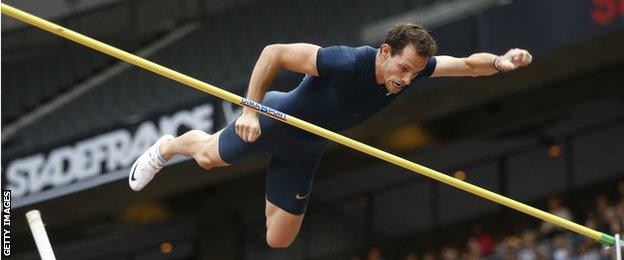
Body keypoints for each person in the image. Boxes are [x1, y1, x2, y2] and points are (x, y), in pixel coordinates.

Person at [128, 22, 533, 248]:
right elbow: (274, 52)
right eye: (403, 69)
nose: (407, 80)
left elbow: (465, 65)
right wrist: (250, 110)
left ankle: (270, 181)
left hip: (306, 146)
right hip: (276, 119)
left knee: (279, 239)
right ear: (386, 52)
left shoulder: (414, 68)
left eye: (415, 73)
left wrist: (500, 61)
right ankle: (167, 147)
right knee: (208, 158)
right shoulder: (347, 61)